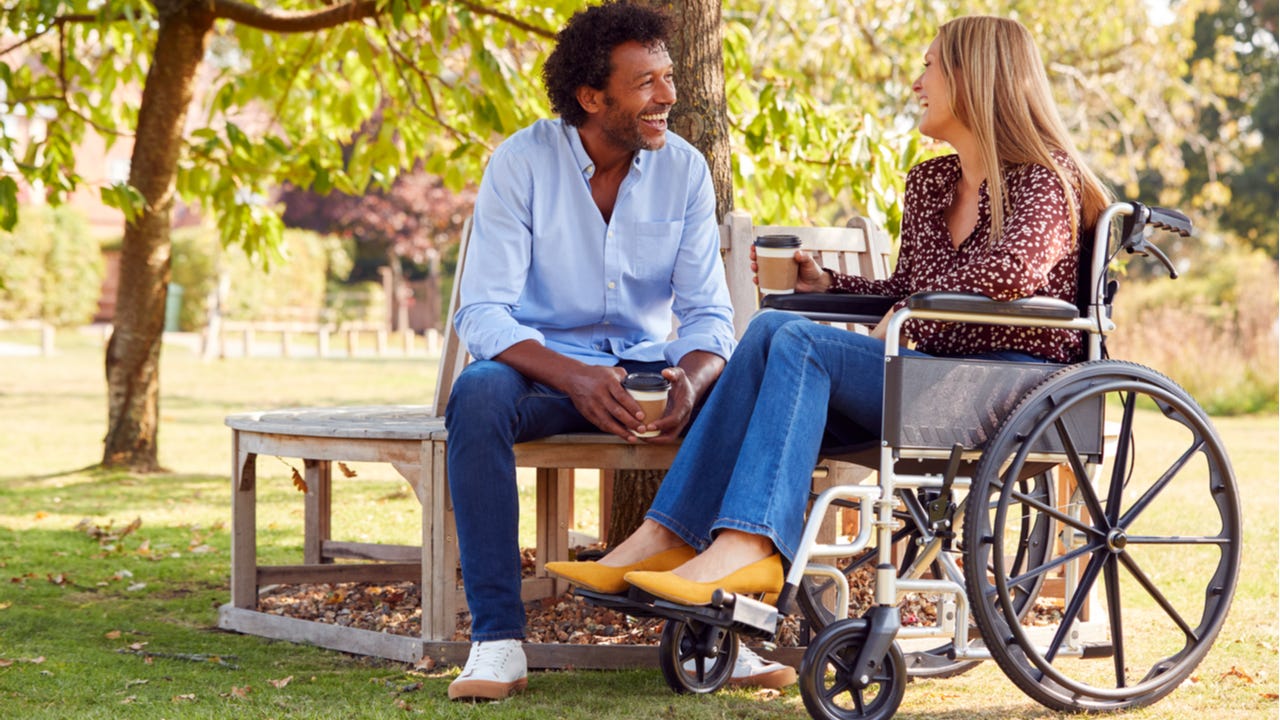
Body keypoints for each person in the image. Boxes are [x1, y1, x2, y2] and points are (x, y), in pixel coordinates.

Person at [547, 15, 1111, 611]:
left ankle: (749, 544)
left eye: (929, 67)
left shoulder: (1045, 179)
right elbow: (909, 286)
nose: (917, 83)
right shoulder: (931, 182)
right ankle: (667, 535)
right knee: (769, 329)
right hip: (923, 374)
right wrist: (830, 284)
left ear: (973, 78)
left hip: (1004, 386)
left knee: (799, 342)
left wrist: (908, 312)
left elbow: (1013, 276)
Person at [444, 1, 792, 701]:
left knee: (758, 392)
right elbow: (481, 311)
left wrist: (692, 383)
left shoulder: (684, 170)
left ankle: (729, 629)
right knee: (476, 393)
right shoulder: (522, 163)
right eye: (646, 83)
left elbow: (706, 315)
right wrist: (575, 378)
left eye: (668, 77)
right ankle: (497, 641)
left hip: (648, 370)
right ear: (591, 97)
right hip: (545, 371)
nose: (668, 95)